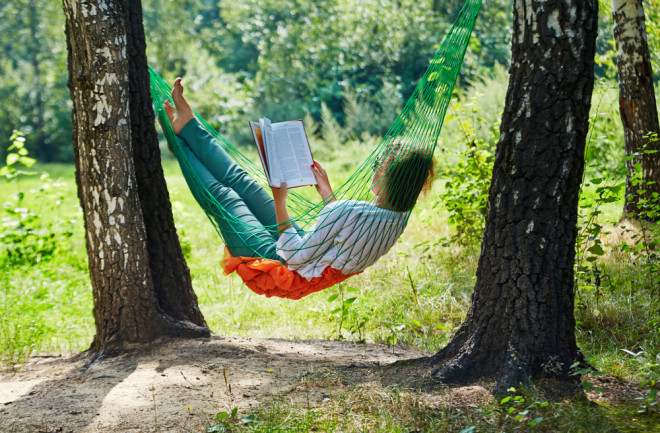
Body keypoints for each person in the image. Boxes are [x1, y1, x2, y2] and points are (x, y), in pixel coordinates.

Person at [163, 78, 434, 280]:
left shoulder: (351, 211)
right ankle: (188, 125)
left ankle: (179, 139)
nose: (374, 170)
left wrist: (280, 202)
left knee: (226, 196)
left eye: (379, 166)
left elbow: (293, 255)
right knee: (243, 182)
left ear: (388, 180)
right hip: (306, 249)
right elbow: (347, 235)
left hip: (278, 261)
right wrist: (327, 195)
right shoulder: (396, 219)